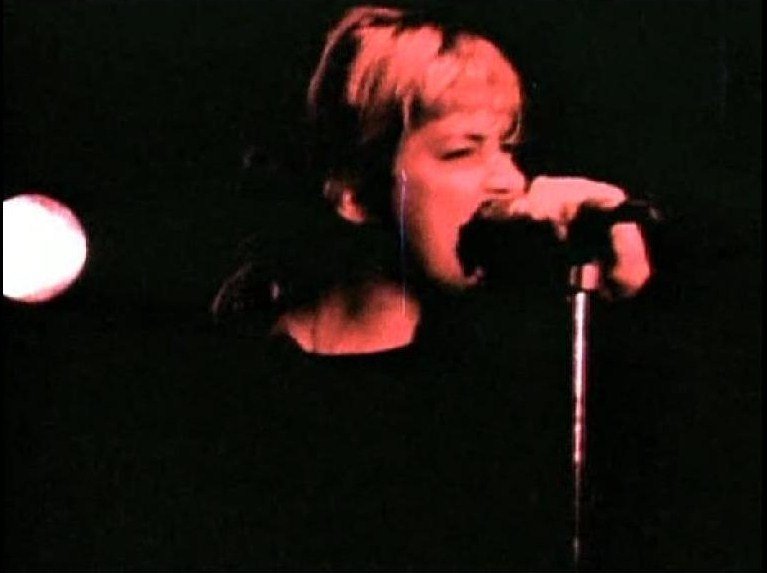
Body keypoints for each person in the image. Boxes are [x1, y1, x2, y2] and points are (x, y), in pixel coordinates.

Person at [209, 5, 653, 569]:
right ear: (355, 191)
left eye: (506, 147)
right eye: (463, 151)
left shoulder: (505, 369)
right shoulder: (239, 386)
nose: (509, 179)